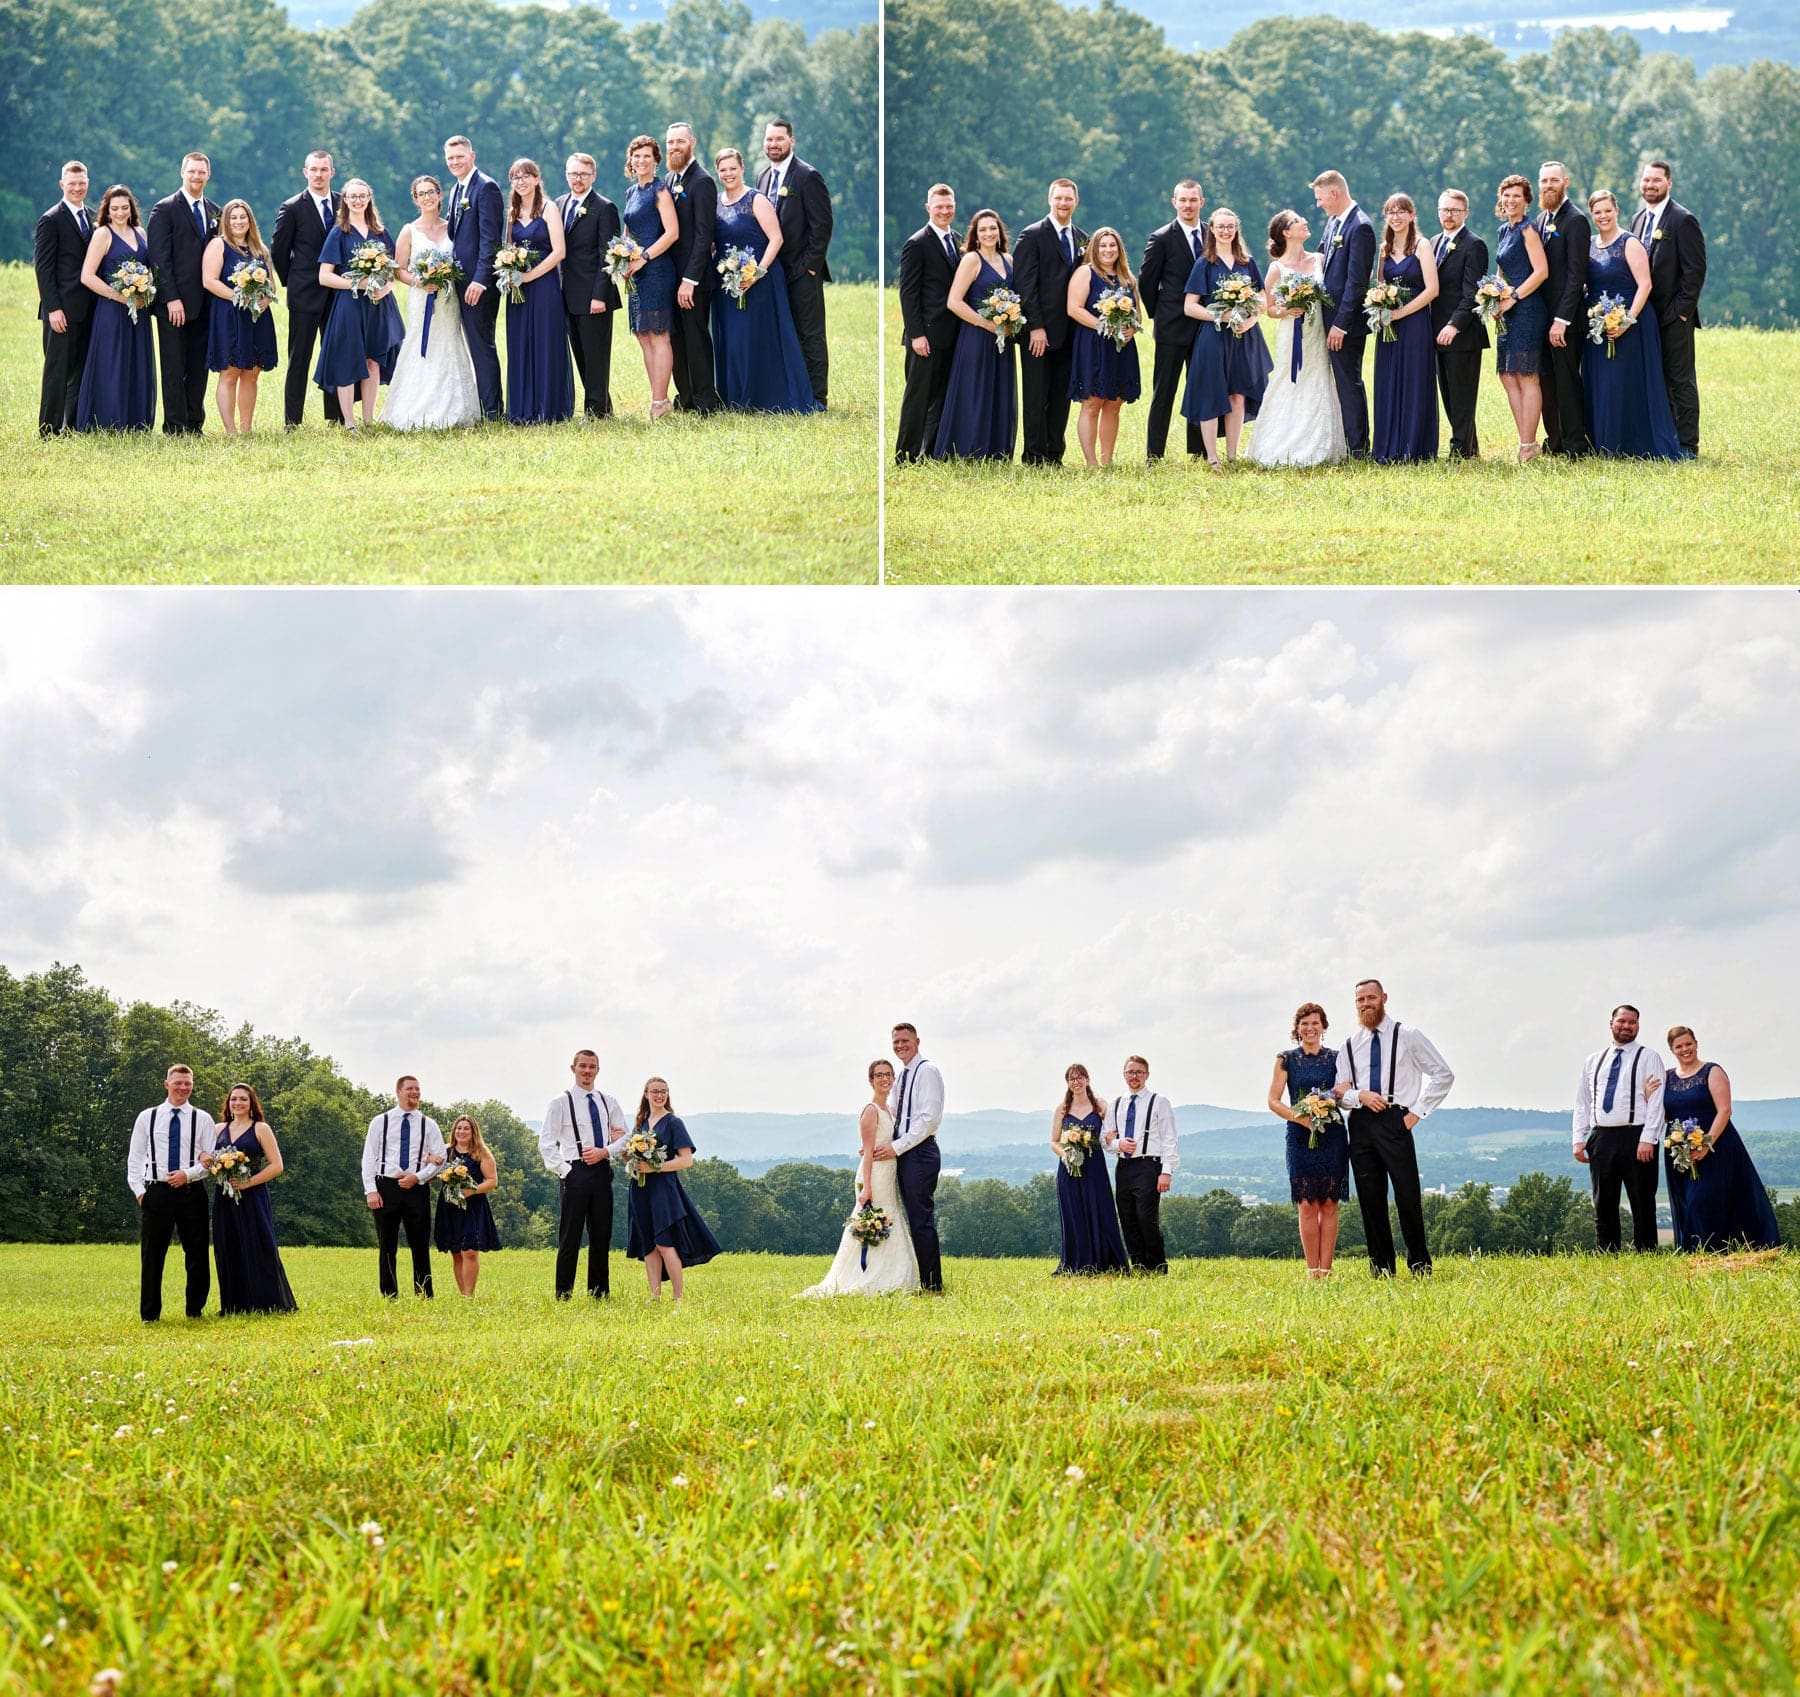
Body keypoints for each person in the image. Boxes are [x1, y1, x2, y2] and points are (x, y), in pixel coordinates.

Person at [1332, 980, 1453, 1278]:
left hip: (1396, 1119)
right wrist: (1359, 1095)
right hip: (1360, 1124)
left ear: (1384, 998)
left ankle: (1420, 1265)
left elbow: (1443, 1074)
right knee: (1371, 1200)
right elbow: (1340, 1092)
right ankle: (1381, 1269)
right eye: (1360, 999)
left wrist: (1415, 1114)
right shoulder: (1349, 1046)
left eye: (1371, 997)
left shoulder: (1408, 1036)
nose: (1365, 1004)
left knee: (1407, 1195)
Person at [797, 1061, 920, 1297]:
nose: (885, 1079)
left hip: (888, 1174)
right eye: (879, 1075)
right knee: (874, 1222)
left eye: (888, 1075)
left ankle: (893, 1275)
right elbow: (867, 1150)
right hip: (873, 1175)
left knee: (891, 1219)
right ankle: (867, 1276)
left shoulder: (889, 1110)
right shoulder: (871, 1110)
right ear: (871, 1080)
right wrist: (866, 1188)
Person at [709, 146, 818, 413]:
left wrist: (756, 273)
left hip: (760, 282)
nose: (728, 174)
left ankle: (766, 397)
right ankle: (735, 397)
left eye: (732, 168)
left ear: (742, 169)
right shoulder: (716, 203)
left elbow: (776, 239)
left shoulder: (756, 199)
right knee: (733, 341)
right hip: (727, 285)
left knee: (756, 338)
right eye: (723, 170)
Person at [1581, 189, 1682, 460]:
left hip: (1630, 324)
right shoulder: (1589, 244)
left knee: (1625, 382)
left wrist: (1626, 321)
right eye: (1597, 212)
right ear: (1592, 215)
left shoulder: (1629, 242)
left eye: (1607, 210)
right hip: (1598, 327)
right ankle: (1605, 443)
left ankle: (1633, 444)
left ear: (1616, 211)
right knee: (1603, 384)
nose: (1603, 216)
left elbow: (1645, 284)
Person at [1662, 1026, 1781, 1252]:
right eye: (1679, 1046)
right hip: (1680, 1152)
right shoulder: (1667, 1077)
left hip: (1717, 1146)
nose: (1685, 1049)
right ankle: (1693, 1253)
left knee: (1705, 1200)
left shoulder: (1712, 1071)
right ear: (1671, 1050)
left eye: (1688, 1044)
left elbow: (1725, 1110)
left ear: (1696, 1043)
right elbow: (1666, 1115)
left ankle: (1712, 1250)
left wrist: (1706, 1144)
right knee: (1688, 1201)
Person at [1248, 208, 1346, 468]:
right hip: (1292, 332)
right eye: (1297, 221)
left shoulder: (1320, 259)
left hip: (1318, 332)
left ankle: (1320, 442)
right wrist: (1287, 309)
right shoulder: (1276, 268)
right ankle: (1281, 443)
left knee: (1318, 378)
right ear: (1286, 233)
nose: (1304, 222)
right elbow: (1269, 308)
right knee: (1288, 379)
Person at [385, 174, 482, 430]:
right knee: (420, 344)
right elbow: (398, 268)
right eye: (421, 194)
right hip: (422, 298)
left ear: (440, 195)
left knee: (449, 342)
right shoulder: (409, 231)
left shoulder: (452, 227)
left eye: (431, 192)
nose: (427, 197)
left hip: (449, 300)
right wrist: (420, 281)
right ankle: (415, 409)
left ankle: (454, 408)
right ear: (415, 200)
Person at [1181, 207, 1272, 465]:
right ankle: (1212, 457)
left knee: (1237, 394)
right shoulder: (1204, 264)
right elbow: (1190, 306)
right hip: (1214, 336)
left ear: (1236, 229)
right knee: (1211, 393)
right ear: (1212, 229)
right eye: (1220, 226)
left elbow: (1262, 298)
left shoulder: (1247, 262)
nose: (1225, 231)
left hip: (1243, 337)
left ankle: (1232, 456)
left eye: (1230, 226)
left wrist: (1250, 320)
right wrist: (1221, 316)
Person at [1572, 1004, 1666, 1253]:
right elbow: (1582, 1101)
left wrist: (1649, 1137)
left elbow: (1657, 1101)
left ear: (1638, 1026)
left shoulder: (1649, 1057)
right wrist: (1578, 1138)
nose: (1627, 1026)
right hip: (1601, 1135)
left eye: (1632, 1022)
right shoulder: (1593, 1060)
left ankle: (1646, 1252)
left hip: (1636, 1134)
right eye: (1622, 1021)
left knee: (1642, 1199)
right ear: (1611, 1023)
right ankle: (1606, 1252)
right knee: (1603, 1200)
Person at [126, 1064, 216, 1322]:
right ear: (167, 1084)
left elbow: (211, 1161)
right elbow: (135, 1158)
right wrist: (141, 1192)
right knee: (152, 1255)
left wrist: (187, 1174)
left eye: (187, 1083)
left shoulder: (203, 1119)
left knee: (197, 1253)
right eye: (178, 1083)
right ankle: (150, 1314)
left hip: (191, 1192)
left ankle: (195, 1310)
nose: (183, 1088)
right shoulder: (148, 1117)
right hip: (157, 1192)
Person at [314, 179, 405, 429]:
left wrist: (384, 288)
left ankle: (367, 420)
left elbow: (393, 273)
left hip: (378, 307)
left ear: (369, 198)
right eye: (352, 196)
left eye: (362, 196)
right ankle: (350, 423)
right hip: (350, 306)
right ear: (345, 199)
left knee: (373, 360)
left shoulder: (379, 231)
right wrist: (360, 284)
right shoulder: (338, 233)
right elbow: (325, 276)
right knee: (348, 360)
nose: (357, 200)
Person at [539, 1049, 629, 1300]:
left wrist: (605, 1152)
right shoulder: (560, 1102)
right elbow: (546, 1143)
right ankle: (563, 1293)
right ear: (573, 1068)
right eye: (583, 1066)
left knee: (601, 1234)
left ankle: (599, 1293)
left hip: (601, 1170)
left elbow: (626, 1137)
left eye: (592, 1067)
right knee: (570, 1236)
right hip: (574, 1172)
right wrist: (566, 1171)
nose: (587, 1071)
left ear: (598, 1070)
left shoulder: (607, 1101)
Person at [1268, 1003, 1348, 1279]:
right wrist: (1300, 1118)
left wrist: (1333, 1099)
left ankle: (1327, 1270)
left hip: (1333, 1136)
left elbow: (1347, 1089)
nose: (1310, 1028)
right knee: (1306, 1204)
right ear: (1297, 1029)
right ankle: (1311, 1271)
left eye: (1315, 1023)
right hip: (1299, 1136)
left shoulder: (1338, 1058)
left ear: (1323, 1027)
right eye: (1304, 1024)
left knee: (1329, 1203)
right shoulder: (1286, 1059)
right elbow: (1273, 1101)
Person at [756, 119, 833, 408]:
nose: (773, 144)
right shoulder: (763, 176)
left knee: (809, 333)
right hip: (773, 271)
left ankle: (816, 397)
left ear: (792, 141)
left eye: (779, 139)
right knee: (783, 332)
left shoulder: (807, 176)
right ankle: (791, 392)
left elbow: (822, 225)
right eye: (769, 140)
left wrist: (809, 267)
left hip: (803, 271)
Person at [1632, 160, 1706, 458]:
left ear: (1669, 184)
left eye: (1656, 181)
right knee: (1656, 379)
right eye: (1646, 180)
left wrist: (1682, 312)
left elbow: (1695, 271)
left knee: (1680, 380)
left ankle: (1687, 445)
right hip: (1645, 317)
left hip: (1675, 316)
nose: (1650, 185)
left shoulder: (1682, 220)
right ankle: (1665, 440)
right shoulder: (1638, 219)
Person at [930, 209, 1017, 462]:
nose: (989, 233)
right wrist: (985, 323)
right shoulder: (971, 260)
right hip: (976, 337)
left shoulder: (1009, 260)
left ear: (1000, 232)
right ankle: (969, 450)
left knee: (999, 390)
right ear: (975, 236)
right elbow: (954, 302)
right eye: (983, 230)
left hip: (1003, 339)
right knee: (975, 391)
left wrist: (1012, 319)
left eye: (993, 228)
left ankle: (995, 451)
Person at [626, 1078, 722, 1302]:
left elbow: (686, 1160)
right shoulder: (641, 1123)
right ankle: (654, 1297)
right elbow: (633, 1155)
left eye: (663, 1092)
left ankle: (678, 1299)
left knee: (664, 1242)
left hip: (664, 1190)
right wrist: (632, 1165)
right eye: (655, 1091)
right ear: (646, 1094)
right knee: (648, 1246)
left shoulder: (673, 1123)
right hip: (640, 1189)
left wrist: (655, 1168)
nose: (659, 1095)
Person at [204, 1083, 296, 1315]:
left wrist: (248, 1183)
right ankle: (234, 1305)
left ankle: (267, 1303)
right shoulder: (217, 1129)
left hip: (253, 1196)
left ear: (251, 1103)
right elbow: (204, 1158)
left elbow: (277, 1166)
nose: (238, 1103)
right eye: (234, 1099)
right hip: (225, 1196)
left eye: (243, 1099)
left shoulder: (261, 1129)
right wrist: (211, 1163)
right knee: (228, 1247)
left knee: (259, 1246)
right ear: (228, 1103)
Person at [1013, 180, 1087, 466]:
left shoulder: (1082, 238)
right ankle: (1034, 455)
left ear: (1076, 201)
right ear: (1049, 199)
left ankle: (1055, 454)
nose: (1063, 203)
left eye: (1068, 199)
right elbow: (1025, 284)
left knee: (1061, 396)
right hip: (1039, 333)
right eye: (1058, 198)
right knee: (1035, 395)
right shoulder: (1031, 236)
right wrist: (1035, 326)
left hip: (1071, 333)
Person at [269, 150, 344, 429]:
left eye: (324, 169)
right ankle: (293, 421)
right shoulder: (291, 208)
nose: (319, 174)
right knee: (299, 357)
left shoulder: (343, 204)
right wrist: (294, 281)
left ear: (332, 172)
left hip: (338, 294)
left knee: (335, 354)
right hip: (304, 295)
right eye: (314, 169)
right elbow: (279, 251)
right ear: (305, 172)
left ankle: (336, 417)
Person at [145, 152, 219, 435]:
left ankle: (194, 424)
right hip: (173, 305)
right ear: (182, 172)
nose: (197, 177)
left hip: (206, 303)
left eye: (201, 172)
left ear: (208, 175)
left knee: (199, 368)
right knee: (174, 368)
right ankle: (174, 426)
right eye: (192, 172)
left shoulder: (215, 211)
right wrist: (170, 298)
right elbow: (158, 259)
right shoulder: (164, 209)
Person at [75, 185, 158, 432]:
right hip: (112, 310)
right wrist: (120, 297)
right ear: (107, 210)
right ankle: (110, 421)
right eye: (115, 209)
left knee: (136, 361)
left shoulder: (141, 232)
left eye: (125, 208)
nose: (120, 213)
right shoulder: (103, 234)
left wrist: (146, 289)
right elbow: (87, 276)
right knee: (113, 363)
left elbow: (151, 269)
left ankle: (135, 421)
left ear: (131, 209)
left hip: (139, 310)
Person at [1139, 179, 1208, 461]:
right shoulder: (1162, 237)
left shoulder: (1212, 234)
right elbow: (1146, 282)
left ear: (1201, 202)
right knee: (1164, 392)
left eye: (1193, 200)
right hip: (1171, 327)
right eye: (1183, 200)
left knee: (1201, 388)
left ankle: (1199, 450)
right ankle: (1154, 454)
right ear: (1174, 203)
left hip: (1204, 326)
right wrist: (1161, 313)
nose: (1188, 205)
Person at [501, 158, 574, 425]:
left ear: (536, 179)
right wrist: (509, 272)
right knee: (521, 343)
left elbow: (559, 251)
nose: (520, 182)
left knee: (544, 342)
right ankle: (523, 408)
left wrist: (531, 274)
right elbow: (507, 249)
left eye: (525, 176)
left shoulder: (548, 208)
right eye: (515, 177)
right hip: (518, 290)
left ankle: (547, 407)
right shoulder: (511, 213)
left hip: (544, 286)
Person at [1370, 192, 1440, 465]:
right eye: (1390, 212)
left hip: (1415, 323)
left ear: (1411, 215)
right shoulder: (1384, 249)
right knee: (1389, 381)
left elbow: (1432, 289)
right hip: (1389, 325)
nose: (1395, 217)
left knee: (1413, 380)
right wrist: (1380, 307)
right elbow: (1379, 285)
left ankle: (1414, 447)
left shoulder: (1422, 246)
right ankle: (1388, 446)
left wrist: (1401, 312)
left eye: (1401, 212)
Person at [894, 184, 962, 463]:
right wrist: (916, 335)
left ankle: (931, 452)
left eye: (949, 206)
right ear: (928, 208)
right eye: (939, 207)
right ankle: (906, 456)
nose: (945, 211)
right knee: (918, 398)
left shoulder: (958, 240)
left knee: (942, 398)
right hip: (926, 335)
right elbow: (908, 293)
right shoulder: (917, 243)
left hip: (953, 334)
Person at [360, 1075, 444, 1299]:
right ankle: (390, 1294)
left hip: (416, 1189)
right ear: (398, 1092)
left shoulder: (428, 1124)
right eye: (410, 1089)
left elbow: (441, 1158)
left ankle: (424, 1293)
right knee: (387, 1245)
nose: (415, 1093)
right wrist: (371, 1189)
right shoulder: (381, 1122)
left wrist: (418, 1177)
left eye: (417, 1089)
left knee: (420, 1243)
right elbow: (369, 1156)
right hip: (386, 1186)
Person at [1065, 226, 1141, 467]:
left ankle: (1107, 461)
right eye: (1103, 246)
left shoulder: (1127, 277)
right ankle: (1091, 462)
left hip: (1122, 347)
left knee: (1114, 402)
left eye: (1112, 245)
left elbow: (1138, 313)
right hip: (1094, 345)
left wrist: (1131, 326)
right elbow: (1073, 308)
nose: (1108, 250)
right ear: (1094, 249)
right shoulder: (1085, 273)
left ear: (1119, 249)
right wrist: (1103, 325)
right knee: (1092, 402)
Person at [201, 199, 279, 435]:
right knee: (230, 372)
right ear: (226, 221)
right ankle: (231, 430)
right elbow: (209, 281)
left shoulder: (259, 249)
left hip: (257, 317)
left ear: (250, 220)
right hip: (229, 315)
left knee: (252, 372)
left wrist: (265, 298)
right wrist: (238, 297)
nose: (238, 221)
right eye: (233, 217)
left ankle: (246, 428)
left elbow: (272, 285)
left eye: (242, 217)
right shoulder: (218, 245)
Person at [1312, 170, 1375, 456]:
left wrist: (1341, 324)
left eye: (1320, 197)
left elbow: (1356, 282)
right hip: (1326, 318)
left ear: (1334, 193)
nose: (1319, 204)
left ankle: (1358, 448)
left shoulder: (1360, 226)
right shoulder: (1333, 222)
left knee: (1349, 382)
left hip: (1344, 324)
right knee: (1338, 382)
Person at [877, 1023, 944, 1292]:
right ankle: (913, 1279)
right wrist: (876, 1140)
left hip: (919, 1152)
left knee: (920, 1219)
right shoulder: (902, 1076)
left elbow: (927, 1120)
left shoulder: (927, 1071)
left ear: (917, 1041)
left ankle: (932, 1284)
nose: (900, 1046)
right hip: (903, 1152)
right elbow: (893, 1113)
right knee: (907, 1218)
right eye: (896, 1042)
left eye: (905, 1040)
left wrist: (897, 1147)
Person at [443, 135, 505, 420]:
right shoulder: (457, 189)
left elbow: (490, 240)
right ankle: (478, 407)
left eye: (460, 157)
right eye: (450, 158)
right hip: (459, 280)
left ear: (472, 156)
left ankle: (492, 412)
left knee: (481, 345)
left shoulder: (486, 187)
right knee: (471, 344)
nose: (455, 162)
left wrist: (480, 280)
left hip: (478, 284)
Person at [555, 152, 620, 420]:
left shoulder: (605, 208)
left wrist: (599, 295)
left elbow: (610, 255)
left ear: (592, 176)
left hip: (594, 295)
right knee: (581, 355)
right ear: (566, 175)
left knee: (596, 356)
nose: (577, 179)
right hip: (566, 294)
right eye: (573, 174)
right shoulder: (559, 204)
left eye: (583, 174)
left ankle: (595, 412)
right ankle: (603, 407)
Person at [623, 135, 683, 419]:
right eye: (637, 156)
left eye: (647, 156)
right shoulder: (631, 192)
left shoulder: (661, 192)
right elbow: (628, 230)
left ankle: (660, 403)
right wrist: (622, 259)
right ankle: (657, 398)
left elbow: (672, 233)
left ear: (656, 161)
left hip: (657, 270)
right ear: (630, 161)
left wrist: (644, 257)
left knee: (659, 335)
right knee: (643, 336)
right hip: (635, 273)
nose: (641, 161)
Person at [1493, 174, 1551, 463]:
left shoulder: (1529, 230)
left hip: (1527, 309)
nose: (1510, 200)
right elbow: (1501, 270)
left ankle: (1528, 445)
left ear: (1527, 201)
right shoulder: (1504, 231)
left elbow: (1541, 271)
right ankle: (1525, 440)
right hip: (1505, 309)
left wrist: (1513, 298)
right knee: (1506, 374)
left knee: (1526, 374)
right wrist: (1492, 297)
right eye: (1506, 195)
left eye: (1517, 196)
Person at [1101, 1057, 1178, 1275]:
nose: (1134, 1076)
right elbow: (1104, 1138)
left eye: (1139, 1072)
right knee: (1128, 1217)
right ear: (1124, 1075)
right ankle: (1139, 1265)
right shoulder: (1116, 1103)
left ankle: (1157, 1266)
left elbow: (1169, 1138)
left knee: (1146, 1217)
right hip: (1124, 1166)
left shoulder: (1159, 1101)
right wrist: (1118, 1143)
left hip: (1149, 1165)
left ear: (1147, 1075)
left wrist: (1166, 1171)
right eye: (1130, 1072)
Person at [664, 123, 720, 417]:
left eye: (680, 141)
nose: (674, 146)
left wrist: (689, 280)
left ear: (692, 143)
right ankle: (685, 397)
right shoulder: (671, 178)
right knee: (677, 340)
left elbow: (703, 235)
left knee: (696, 340)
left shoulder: (702, 181)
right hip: (670, 277)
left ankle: (705, 402)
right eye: (670, 141)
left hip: (693, 280)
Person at [1536, 162, 1591, 458]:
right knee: (1547, 381)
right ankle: (1554, 440)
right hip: (1542, 318)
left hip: (1565, 321)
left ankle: (1575, 445)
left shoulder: (1576, 220)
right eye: (1544, 180)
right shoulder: (1543, 218)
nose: (1548, 185)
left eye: (1554, 180)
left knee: (1567, 383)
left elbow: (1576, 275)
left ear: (1565, 182)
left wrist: (1562, 320)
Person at [1428, 190, 1488, 460]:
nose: (1448, 215)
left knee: (1463, 397)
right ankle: (1470, 447)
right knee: (1449, 396)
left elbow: (1473, 294)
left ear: (1466, 213)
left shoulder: (1474, 245)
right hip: (1436, 332)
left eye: (1454, 210)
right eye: (1444, 210)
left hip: (1463, 335)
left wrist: (1454, 325)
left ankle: (1460, 451)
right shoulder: (1433, 242)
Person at [1051, 1064, 1128, 1275]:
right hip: (1069, 1170)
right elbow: (1054, 1141)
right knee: (1074, 1214)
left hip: (1094, 1168)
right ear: (1067, 1083)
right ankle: (1078, 1263)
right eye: (1071, 1079)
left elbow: (1114, 1128)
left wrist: (1115, 1137)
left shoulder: (1100, 1105)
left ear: (1087, 1079)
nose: (1076, 1082)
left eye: (1080, 1077)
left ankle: (1106, 1262)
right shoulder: (1062, 1109)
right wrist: (1066, 1155)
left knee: (1101, 1211)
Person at [35, 160, 94, 436]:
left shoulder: (94, 218)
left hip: (89, 309)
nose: (77, 188)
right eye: (72, 183)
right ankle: (49, 429)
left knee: (79, 372)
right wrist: (53, 309)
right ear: (62, 185)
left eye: (81, 182)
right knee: (57, 372)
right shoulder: (51, 219)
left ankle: (72, 426)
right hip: (61, 310)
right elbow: (43, 269)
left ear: (87, 183)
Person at [433, 1114, 501, 1297]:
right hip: (449, 1207)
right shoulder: (445, 1152)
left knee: (470, 1251)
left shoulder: (482, 1153)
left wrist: (472, 1191)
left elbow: (492, 1181)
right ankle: (463, 1294)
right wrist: (430, 1160)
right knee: (456, 1252)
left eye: (466, 1129)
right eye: (459, 1128)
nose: (461, 1132)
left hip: (473, 1207)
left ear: (473, 1132)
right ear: (454, 1131)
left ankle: (468, 1297)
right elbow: (431, 1175)